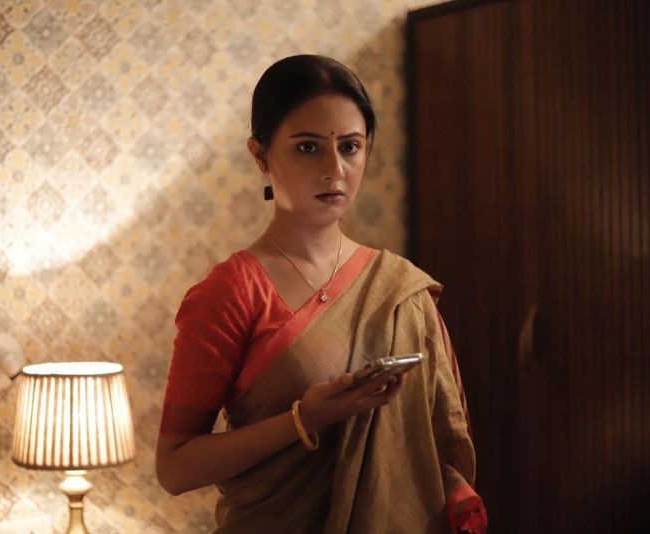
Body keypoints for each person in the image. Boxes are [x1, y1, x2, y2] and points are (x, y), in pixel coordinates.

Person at [155, 54, 488, 534]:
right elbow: (174, 468)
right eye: (308, 147)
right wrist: (303, 419)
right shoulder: (231, 292)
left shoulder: (399, 287)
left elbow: (441, 442)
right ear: (260, 155)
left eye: (350, 147)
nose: (335, 169)